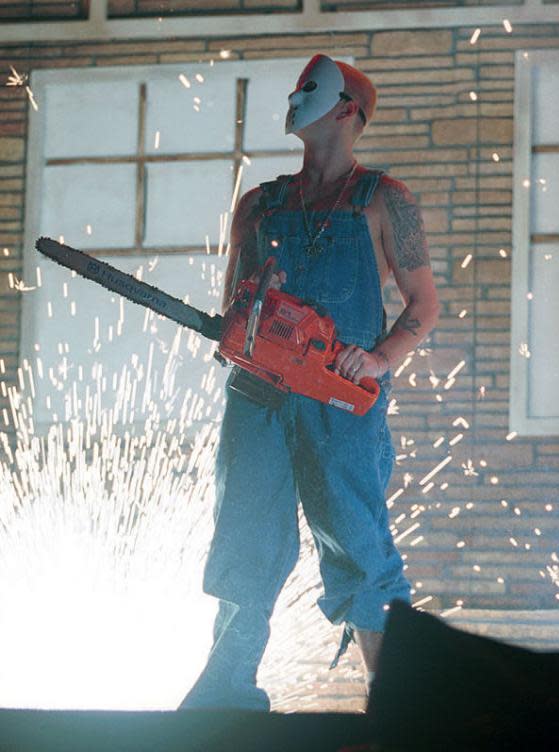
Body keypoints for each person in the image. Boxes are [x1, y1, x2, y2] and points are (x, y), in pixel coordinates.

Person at [178, 53, 440, 712]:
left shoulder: (384, 199)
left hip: (336, 401)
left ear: (347, 108)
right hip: (257, 396)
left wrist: (380, 359)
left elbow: (422, 305)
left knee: (356, 541)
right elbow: (234, 298)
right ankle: (225, 694)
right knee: (247, 540)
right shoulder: (259, 205)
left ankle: (398, 697)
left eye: (309, 90)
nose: (296, 96)